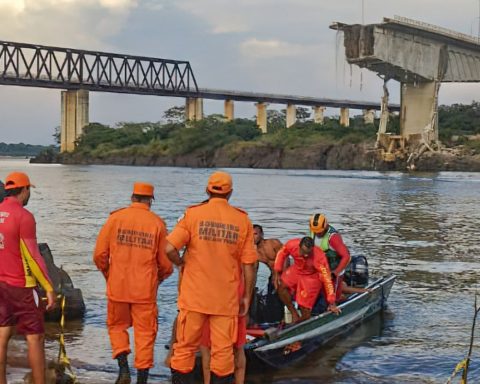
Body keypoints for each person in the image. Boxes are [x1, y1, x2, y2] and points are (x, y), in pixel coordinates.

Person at [166, 171, 257, 384]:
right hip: (225, 300)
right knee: (223, 352)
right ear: (230, 193)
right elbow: (249, 265)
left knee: (185, 349)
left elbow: (169, 248)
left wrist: (181, 263)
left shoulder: (192, 215)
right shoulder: (242, 220)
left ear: (207, 190)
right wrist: (246, 298)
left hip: (194, 297)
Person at [93, 182, 173, 384]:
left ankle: (123, 369)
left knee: (116, 327)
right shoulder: (157, 224)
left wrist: (109, 274)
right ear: (150, 201)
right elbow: (166, 264)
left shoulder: (115, 219)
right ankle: (142, 379)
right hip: (144, 290)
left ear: (132, 197)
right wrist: (159, 279)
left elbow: (99, 255)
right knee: (145, 333)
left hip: (117, 286)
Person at [0, 171, 56, 384]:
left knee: (2, 335)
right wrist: (49, 287)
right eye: (28, 189)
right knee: (35, 337)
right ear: (24, 190)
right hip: (21, 285)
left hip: (0, 284)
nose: (29, 193)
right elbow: (33, 256)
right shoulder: (24, 216)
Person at [274, 236, 340, 323]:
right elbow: (281, 253)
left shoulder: (319, 257)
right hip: (297, 269)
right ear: (299, 246)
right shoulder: (291, 244)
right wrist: (277, 272)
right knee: (281, 286)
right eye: (303, 252)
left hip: (311, 276)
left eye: (308, 253)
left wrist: (332, 302)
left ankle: (298, 324)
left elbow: (327, 279)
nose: (305, 255)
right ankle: (294, 313)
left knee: (305, 309)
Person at [309, 213, 351, 301]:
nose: (317, 233)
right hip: (320, 269)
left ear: (325, 226)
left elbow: (346, 256)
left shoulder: (333, 238)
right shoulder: (313, 231)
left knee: (333, 298)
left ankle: (341, 298)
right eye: (315, 231)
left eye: (319, 232)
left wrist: (335, 273)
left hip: (334, 270)